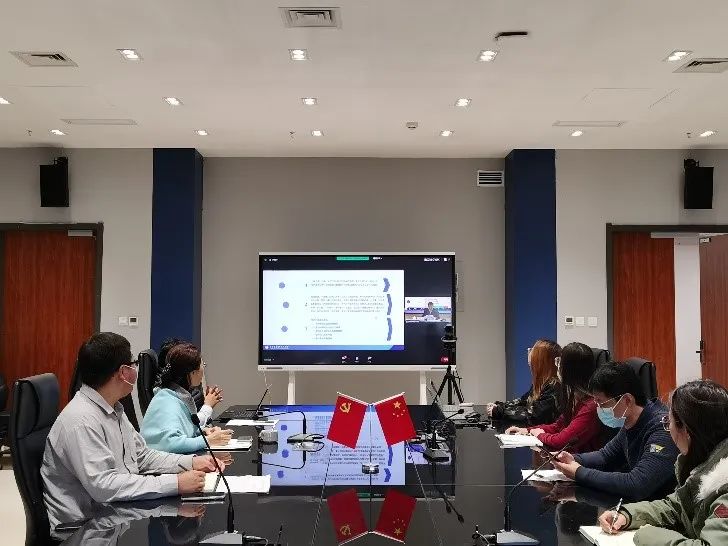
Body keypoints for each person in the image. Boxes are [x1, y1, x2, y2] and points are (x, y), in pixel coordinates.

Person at [42, 332, 223, 535]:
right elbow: (104, 486)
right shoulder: (81, 421)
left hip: (115, 517)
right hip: (85, 531)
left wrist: (191, 462)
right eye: (133, 364)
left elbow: (142, 456)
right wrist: (176, 483)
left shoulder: (113, 409)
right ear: (123, 372)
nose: (135, 369)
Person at [599, 380, 728, 544]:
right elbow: (676, 507)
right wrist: (628, 515)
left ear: (686, 430)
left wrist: (647, 535)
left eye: (669, 421)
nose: (668, 428)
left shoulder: (723, 485)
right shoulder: (703, 463)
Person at [552, 362, 679, 500]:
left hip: (662, 506)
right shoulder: (631, 419)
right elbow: (605, 456)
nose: (598, 409)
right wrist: (574, 459)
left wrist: (579, 472)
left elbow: (637, 484)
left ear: (627, 400)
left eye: (602, 403)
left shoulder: (662, 428)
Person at [506, 342, 603, 453]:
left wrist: (539, 434)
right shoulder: (575, 399)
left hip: (580, 460)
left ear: (568, 370)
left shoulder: (590, 406)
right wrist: (527, 430)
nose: (557, 366)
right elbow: (558, 426)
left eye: (559, 362)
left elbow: (561, 441)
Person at [141, 342, 233, 454]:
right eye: (202, 365)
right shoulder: (168, 402)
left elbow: (183, 429)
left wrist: (203, 432)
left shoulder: (176, 395)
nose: (203, 370)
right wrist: (208, 440)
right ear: (192, 373)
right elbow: (171, 443)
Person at [487, 339, 561, 424]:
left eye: (534, 352)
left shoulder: (554, 387)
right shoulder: (542, 383)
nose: (530, 353)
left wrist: (499, 411)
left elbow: (533, 415)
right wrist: (500, 406)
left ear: (542, 361)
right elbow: (523, 402)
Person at [158, 338, 224, 426]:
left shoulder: (172, 393)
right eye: (202, 365)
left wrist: (205, 431)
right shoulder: (173, 400)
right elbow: (189, 425)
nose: (202, 371)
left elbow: (188, 427)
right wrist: (208, 405)